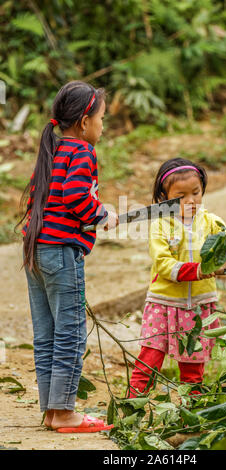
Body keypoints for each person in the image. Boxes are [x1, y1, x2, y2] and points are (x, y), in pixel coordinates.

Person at [16, 81, 118, 433]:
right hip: (61, 254)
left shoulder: (53, 152)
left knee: (47, 335)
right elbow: (76, 196)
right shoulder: (82, 152)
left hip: (36, 253)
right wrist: (100, 214)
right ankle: (64, 412)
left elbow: (40, 202)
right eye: (102, 118)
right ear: (85, 121)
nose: (103, 126)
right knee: (71, 333)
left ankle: (51, 409)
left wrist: (93, 213)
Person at [128, 157, 226, 398]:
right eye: (182, 195)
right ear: (165, 198)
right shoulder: (161, 225)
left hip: (198, 308)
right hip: (162, 303)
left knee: (193, 369)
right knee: (149, 361)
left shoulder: (211, 221)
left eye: (196, 193)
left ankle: (190, 417)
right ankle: (130, 409)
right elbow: (164, 264)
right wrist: (198, 270)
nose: (191, 200)